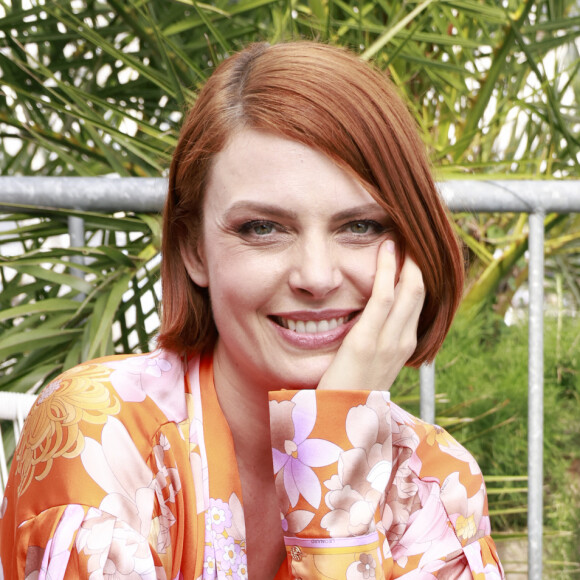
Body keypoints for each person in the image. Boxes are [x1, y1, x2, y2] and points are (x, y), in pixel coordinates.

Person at [0, 42, 504, 579]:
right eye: (262, 228)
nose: (316, 276)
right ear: (194, 248)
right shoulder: (100, 432)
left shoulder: (434, 483)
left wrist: (341, 443)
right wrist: (338, 470)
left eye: (361, 226)